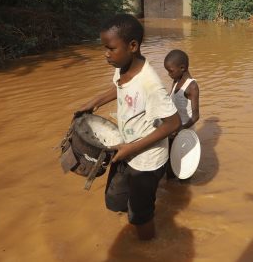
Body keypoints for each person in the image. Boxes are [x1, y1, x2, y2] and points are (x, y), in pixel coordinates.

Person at [76, 14, 181, 240]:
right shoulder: (122, 66)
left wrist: (131, 149)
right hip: (125, 148)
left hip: (147, 160)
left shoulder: (150, 83)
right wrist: (93, 103)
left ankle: (147, 247)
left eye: (110, 48)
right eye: (104, 47)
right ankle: (135, 210)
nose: (106, 54)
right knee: (114, 201)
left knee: (140, 216)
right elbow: (119, 87)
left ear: (132, 46)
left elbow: (174, 123)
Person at [163, 49, 200, 178]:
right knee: (170, 164)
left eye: (170, 71)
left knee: (183, 167)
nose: (168, 74)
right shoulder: (176, 81)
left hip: (184, 132)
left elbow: (196, 116)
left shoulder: (192, 86)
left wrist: (180, 128)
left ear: (182, 68)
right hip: (173, 129)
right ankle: (172, 189)